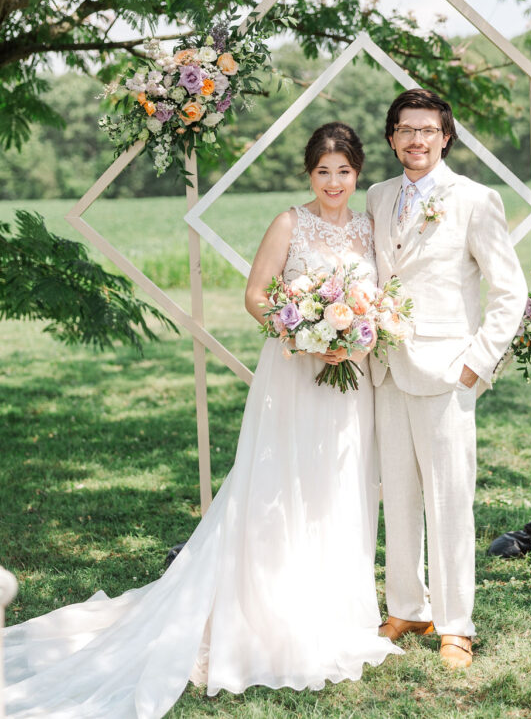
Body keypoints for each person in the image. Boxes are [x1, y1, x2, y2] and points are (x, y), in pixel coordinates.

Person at [3, 122, 398, 718]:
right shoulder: (290, 223)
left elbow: (381, 301)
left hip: (351, 382)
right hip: (294, 375)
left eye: (343, 171)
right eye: (323, 171)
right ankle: (268, 613)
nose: (334, 182)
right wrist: (306, 332)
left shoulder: (370, 230)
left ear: (358, 172)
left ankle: (335, 612)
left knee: (340, 486)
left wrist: (356, 335)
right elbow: (257, 295)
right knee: (279, 486)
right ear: (308, 174)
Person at [367, 89, 528, 668]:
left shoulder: (476, 200)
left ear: (445, 137)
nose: (416, 140)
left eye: (427, 130)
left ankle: (456, 623)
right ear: (391, 138)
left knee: (450, 500)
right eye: (405, 130)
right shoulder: (377, 196)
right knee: (399, 496)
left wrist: (475, 364)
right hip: (385, 369)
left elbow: (511, 292)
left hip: (447, 372)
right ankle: (408, 605)